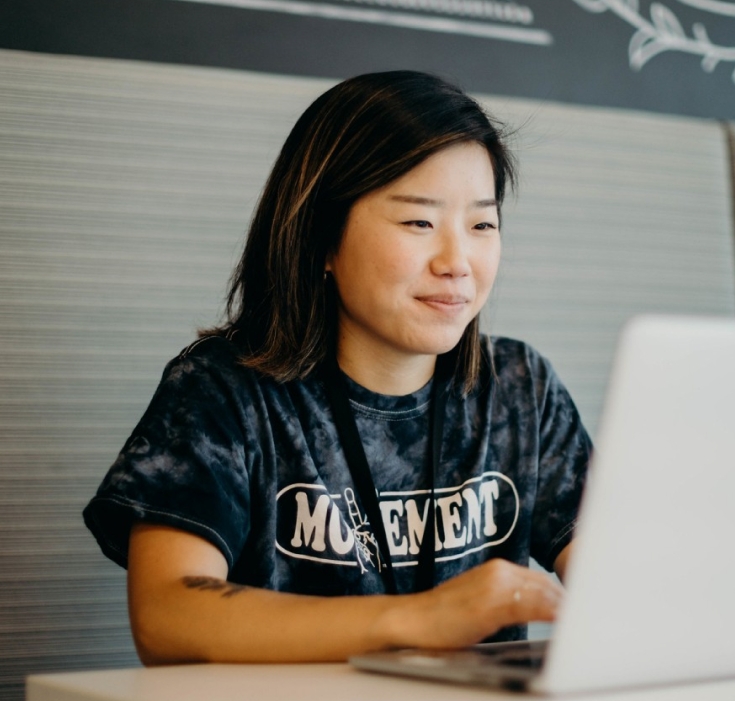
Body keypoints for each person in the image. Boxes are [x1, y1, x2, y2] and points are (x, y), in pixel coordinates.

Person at [83, 70, 591, 665]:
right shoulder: (222, 390)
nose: (458, 262)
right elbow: (166, 618)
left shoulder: (518, 389)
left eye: (482, 224)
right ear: (322, 238)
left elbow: (627, 585)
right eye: (419, 222)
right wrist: (422, 619)